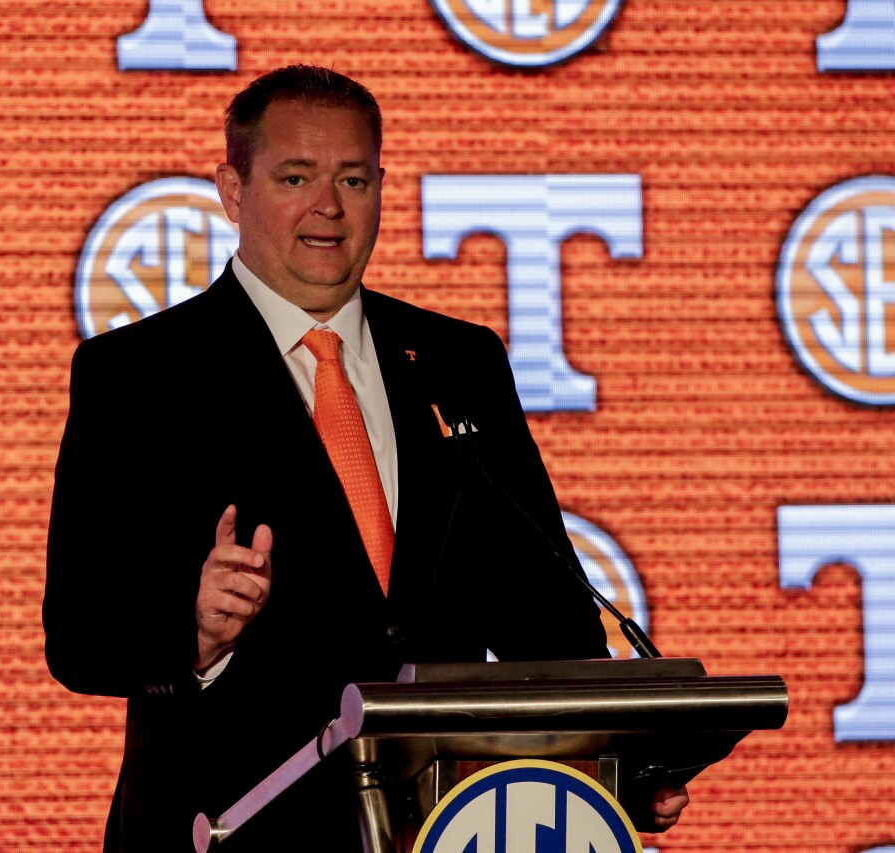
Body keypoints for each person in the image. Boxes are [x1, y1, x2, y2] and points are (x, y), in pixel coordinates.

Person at [44, 64, 687, 852]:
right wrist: (196, 631)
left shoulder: (460, 362)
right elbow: (78, 635)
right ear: (232, 190)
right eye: (295, 177)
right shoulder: (139, 375)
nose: (328, 207)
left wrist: (614, 765)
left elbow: (543, 614)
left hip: (445, 827)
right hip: (231, 832)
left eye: (353, 178)